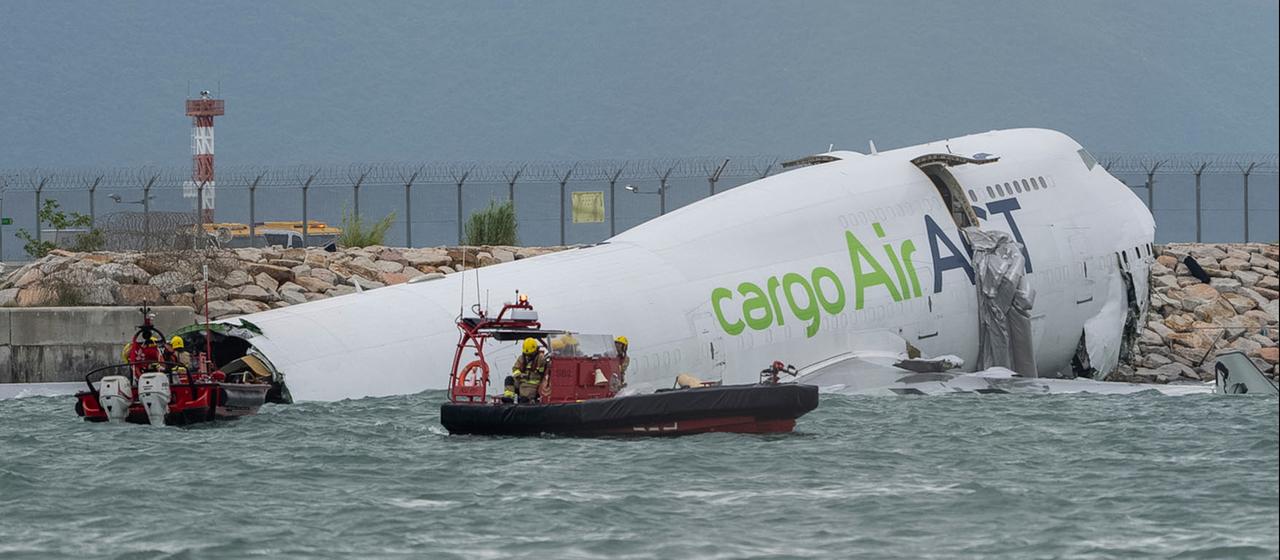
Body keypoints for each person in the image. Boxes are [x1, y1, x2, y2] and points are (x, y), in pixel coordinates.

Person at [508, 337, 548, 403]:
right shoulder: (521, 358)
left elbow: (542, 370)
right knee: (509, 380)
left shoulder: (540, 358)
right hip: (521, 382)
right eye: (526, 354)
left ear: (535, 351)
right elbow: (515, 369)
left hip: (532, 386)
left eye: (530, 354)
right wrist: (520, 375)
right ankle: (508, 399)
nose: (528, 356)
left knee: (524, 400)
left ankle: (526, 401)